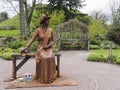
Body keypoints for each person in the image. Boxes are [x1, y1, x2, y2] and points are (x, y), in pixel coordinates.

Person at [22, 14, 56, 83]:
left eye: (48, 20)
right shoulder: (38, 30)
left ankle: (50, 78)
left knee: (50, 57)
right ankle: (43, 78)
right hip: (40, 48)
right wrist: (26, 47)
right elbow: (32, 40)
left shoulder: (50, 30)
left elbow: (54, 41)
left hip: (48, 48)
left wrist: (49, 45)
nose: (48, 22)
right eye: (47, 20)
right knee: (44, 58)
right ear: (43, 22)